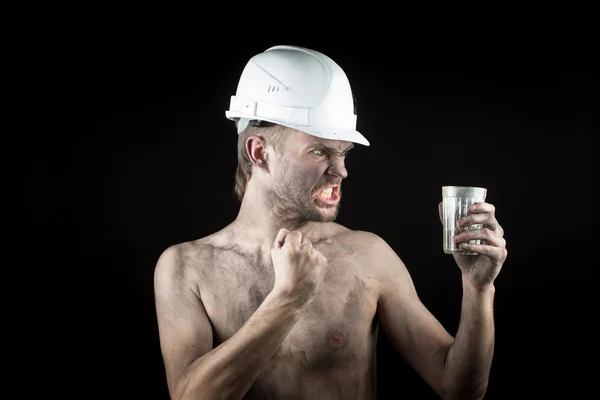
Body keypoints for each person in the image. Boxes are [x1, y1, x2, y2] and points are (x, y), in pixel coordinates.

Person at [153, 45, 508, 400]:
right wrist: (289, 299)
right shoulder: (187, 268)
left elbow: (459, 387)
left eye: (344, 153)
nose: (341, 170)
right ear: (259, 152)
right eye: (320, 151)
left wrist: (478, 289)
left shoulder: (366, 256)